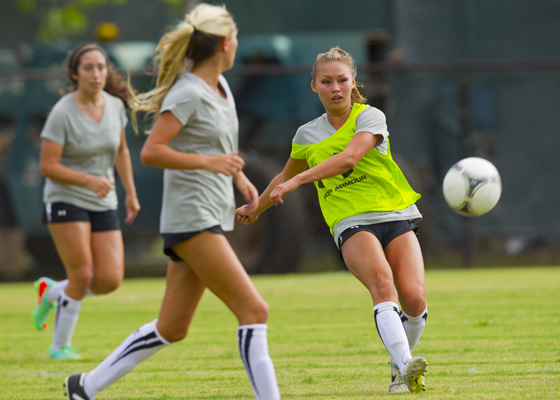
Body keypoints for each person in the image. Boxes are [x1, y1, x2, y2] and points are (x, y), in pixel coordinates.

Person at [63, 4, 281, 400]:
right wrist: (210, 163)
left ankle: (85, 386)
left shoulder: (222, 86)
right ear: (226, 43)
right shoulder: (188, 90)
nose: (237, 44)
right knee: (255, 311)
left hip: (211, 212)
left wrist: (238, 175)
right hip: (192, 217)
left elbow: (217, 145)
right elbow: (152, 150)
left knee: (172, 327)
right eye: (235, 38)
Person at [236, 47, 429, 394]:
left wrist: (297, 181)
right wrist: (256, 208)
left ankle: (400, 366)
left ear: (353, 82)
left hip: (396, 213)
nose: (335, 88)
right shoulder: (306, 134)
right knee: (383, 284)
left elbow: (350, 157)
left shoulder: (370, 116)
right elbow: (282, 176)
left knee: (414, 299)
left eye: (342, 80)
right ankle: (406, 366)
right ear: (314, 87)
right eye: (327, 81)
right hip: (351, 221)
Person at [33, 42, 140, 360]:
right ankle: (59, 347)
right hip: (65, 198)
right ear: (75, 73)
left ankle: (52, 292)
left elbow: (121, 151)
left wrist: (130, 192)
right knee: (81, 274)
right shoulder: (62, 112)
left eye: (102, 67)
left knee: (109, 280)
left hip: (103, 200)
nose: (96, 74)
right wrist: (89, 180)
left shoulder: (114, 106)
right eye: (89, 68)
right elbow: (48, 166)